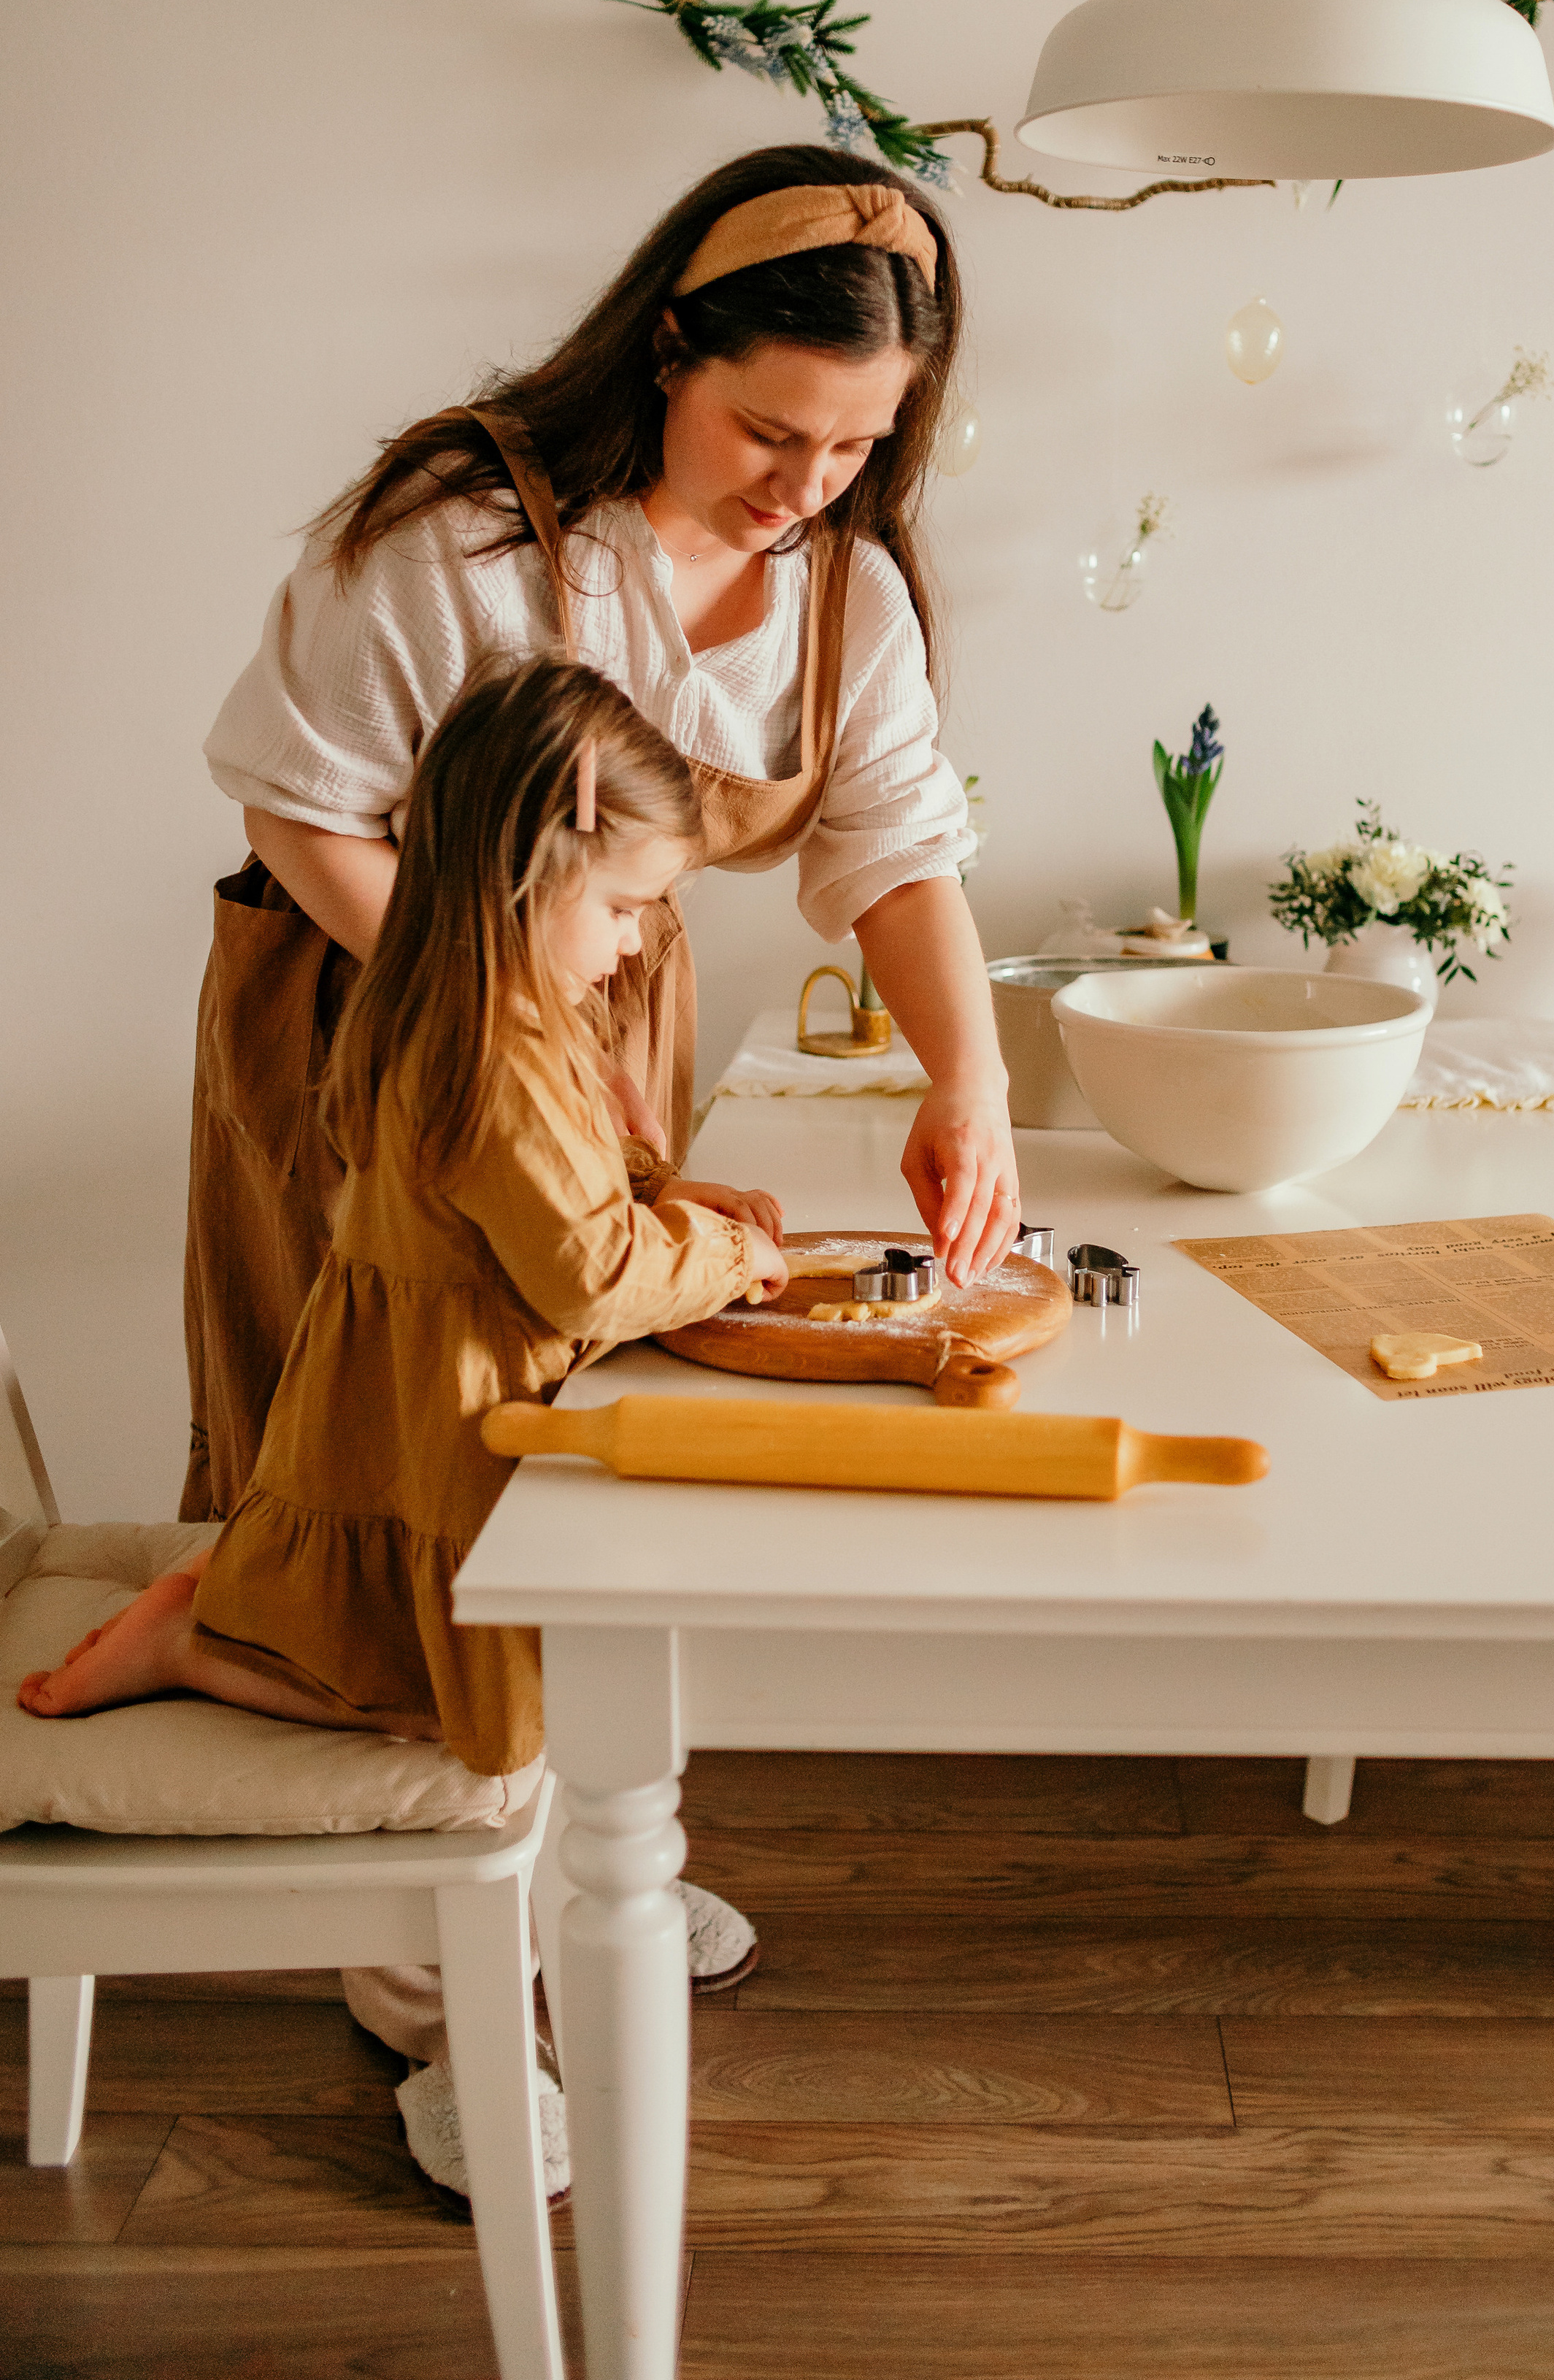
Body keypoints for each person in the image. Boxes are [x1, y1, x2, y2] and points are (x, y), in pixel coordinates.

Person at [185, 143, 1019, 1529]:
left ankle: (531, 1721)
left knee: (555, 1408)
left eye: (859, 444)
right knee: (368, 1418)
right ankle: (247, 1638)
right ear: (670, 349)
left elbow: (897, 851)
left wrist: (971, 1082)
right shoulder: (468, 539)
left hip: (603, 991)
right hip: (380, 1001)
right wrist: (516, 1026)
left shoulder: (845, 595)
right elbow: (301, 809)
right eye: (770, 430)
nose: (811, 482)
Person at [23, 663, 788, 2173]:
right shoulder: (488, 1047)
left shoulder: (476, 998)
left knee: (517, 1689)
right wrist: (727, 1256)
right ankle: (210, 1655)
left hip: (415, 1417)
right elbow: (580, 1268)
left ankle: (562, 1906)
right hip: (437, 1443)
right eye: (628, 905)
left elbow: (569, 1202)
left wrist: (670, 1192)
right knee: (458, 1715)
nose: (639, 946)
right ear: (542, 854)